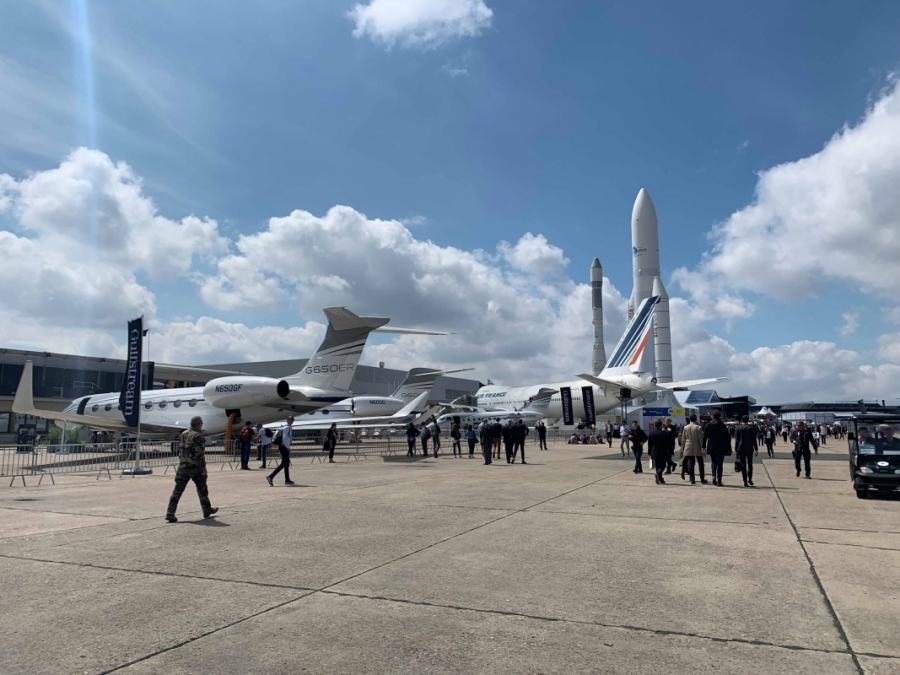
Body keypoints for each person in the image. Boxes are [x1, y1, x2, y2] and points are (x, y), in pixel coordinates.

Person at [166, 416, 217, 522]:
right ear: (198, 424)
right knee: (202, 489)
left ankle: (170, 513)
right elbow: (199, 454)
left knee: (177, 491)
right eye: (201, 424)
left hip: (183, 466)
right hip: (195, 467)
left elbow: (181, 450)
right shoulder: (198, 435)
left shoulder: (183, 434)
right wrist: (203, 468)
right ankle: (206, 510)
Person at [704, 410, 732, 486]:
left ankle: (713, 475)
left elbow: (705, 437)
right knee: (720, 464)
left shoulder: (708, 425)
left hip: (711, 446)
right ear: (719, 416)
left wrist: (703, 446)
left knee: (713, 462)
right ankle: (719, 480)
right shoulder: (722, 425)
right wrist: (729, 448)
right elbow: (727, 438)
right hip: (721, 446)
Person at [266, 416, 295, 486]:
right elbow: (285, 437)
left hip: (284, 446)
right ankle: (271, 476)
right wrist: (287, 446)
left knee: (286, 463)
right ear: (287, 420)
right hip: (284, 447)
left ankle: (287, 479)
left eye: (293, 419)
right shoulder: (287, 427)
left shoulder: (286, 427)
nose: (292, 421)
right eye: (291, 419)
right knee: (284, 463)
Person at [679, 414, 706, 484]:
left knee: (690, 462)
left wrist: (682, 448)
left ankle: (692, 478)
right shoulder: (698, 427)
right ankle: (702, 478)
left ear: (690, 419)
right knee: (700, 462)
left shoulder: (685, 427)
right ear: (696, 419)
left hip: (688, 445)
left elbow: (683, 439)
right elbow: (700, 438)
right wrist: (702, 447)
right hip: (697, 445)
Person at [735, 415, 759, 487]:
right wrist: (756, 449)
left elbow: (737, 440)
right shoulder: (751, 428)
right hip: (749, 448)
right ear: (748, 420)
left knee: (743, 465)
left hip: (741, 448)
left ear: (742, 420)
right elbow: (754, 440)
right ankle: (750, 479)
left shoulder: (738, 428)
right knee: (750, 464)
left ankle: (745, 481)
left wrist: (736, 449)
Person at [648, 420, 674, 485]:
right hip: (663, 451)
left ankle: (660, 479)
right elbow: (669, 442)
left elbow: (649, 444)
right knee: (663, 465)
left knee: (657, 465)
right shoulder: (663, 433)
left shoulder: (651, 433)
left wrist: (649, 452)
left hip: (654, 451)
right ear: (661, 425)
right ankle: (659, 473)